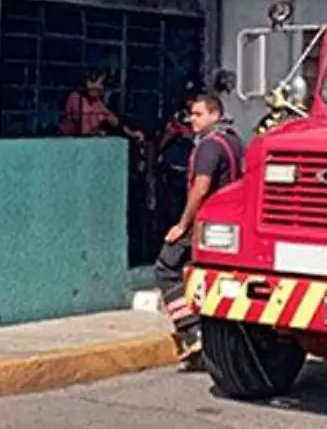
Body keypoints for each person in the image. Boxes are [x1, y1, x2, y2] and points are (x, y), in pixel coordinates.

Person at [154, 93, 243, 362]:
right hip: (229, 225)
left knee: (166, 267)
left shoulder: (209, 146)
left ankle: (191, 331)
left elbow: (201, 187)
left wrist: (183, 225)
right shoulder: (235, 141)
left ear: (215, 114)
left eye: (199, 114)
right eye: (191, 114)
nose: (193, 120)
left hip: (204, 223)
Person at [58, 73, 142, 142]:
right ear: (89, 82)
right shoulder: (75, 98)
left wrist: (131, 133)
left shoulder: (97, 102)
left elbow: (114, 121)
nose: (102, 88)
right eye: (100, 83)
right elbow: (84, 130)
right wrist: (100, 133)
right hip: (69, 142)